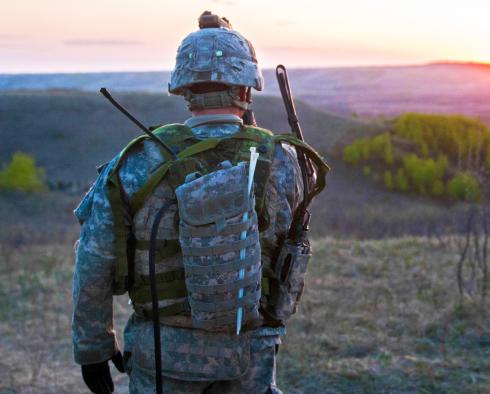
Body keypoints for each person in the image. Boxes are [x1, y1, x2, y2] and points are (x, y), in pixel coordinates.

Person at [72, 11, 327, 394]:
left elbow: (94, 260)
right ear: (246, 89)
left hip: (161, 355)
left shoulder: (138, 162)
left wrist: (93, 348)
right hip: (251, 356)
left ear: (184, 90)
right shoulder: (284, 160)